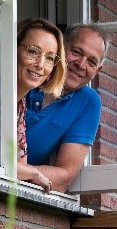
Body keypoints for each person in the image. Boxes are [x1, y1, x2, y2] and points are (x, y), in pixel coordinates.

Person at [19, 23, 109, 193]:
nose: (81, 64)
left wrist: (21, 172)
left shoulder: (88, 102)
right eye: (76, 52)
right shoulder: (26, 74)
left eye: (91, 62)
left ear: (97, 70)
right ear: (60, 48)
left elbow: (63, 178)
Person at [15, 18, 66, 193]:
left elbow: (15, 165)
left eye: (49, 58)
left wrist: (29, 172)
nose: (40, 64)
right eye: (33, 51)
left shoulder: (19, 104)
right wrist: (34, 173)